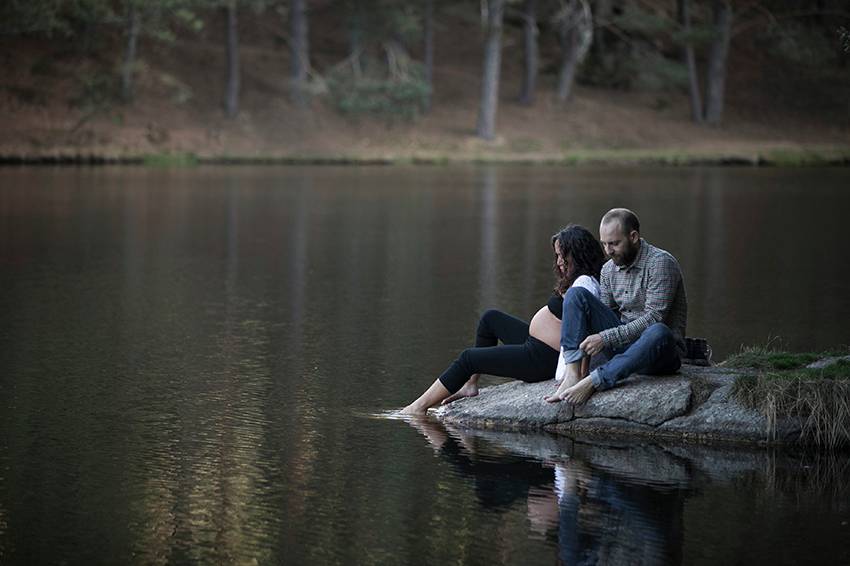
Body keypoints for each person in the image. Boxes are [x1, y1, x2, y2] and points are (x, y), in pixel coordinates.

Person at [400, 225, 606, 415]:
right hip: (536, 345)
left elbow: (583, 333)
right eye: (557, 255)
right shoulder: (581, 280)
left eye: (563, 255)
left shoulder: (585, 284)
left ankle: (418, 407)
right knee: (490, 319)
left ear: (578, 254)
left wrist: (573, 374)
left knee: (468, 358)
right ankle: (469, 385)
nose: (559, 261)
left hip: (542, 359)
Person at [545, 208, 687, 405]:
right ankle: (573, 373)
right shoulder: (608, 269)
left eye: (614, 244)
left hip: (658, 352)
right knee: (577, 294)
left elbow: (654, 317)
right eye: (604, 244)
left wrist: (605, 338)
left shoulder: (660, 263)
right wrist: (589, 356)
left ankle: (595, 382)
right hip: (623, 346)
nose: (608, 251)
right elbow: (602, 316)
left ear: (634, 236)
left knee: (659, 331)